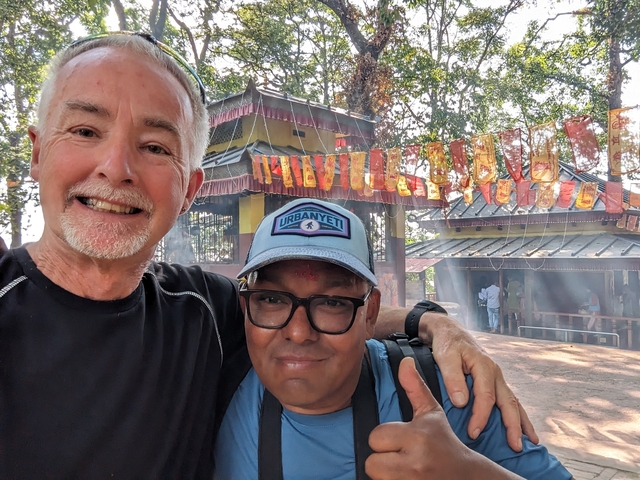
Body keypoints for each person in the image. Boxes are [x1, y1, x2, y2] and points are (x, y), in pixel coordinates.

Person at [0, 32, 534, 478]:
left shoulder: (202, 310)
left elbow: (315, 309)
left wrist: (436, 325)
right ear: (39, 153)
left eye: (156, 147)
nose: (116, 167)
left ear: (189, 190)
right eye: (86, 130)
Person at [214, 198, 572, 479]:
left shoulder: (445, 394)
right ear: (246, 308)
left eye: (333, 303)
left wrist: (472, 473)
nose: (297, 331)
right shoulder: (213, 376)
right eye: (273, 300)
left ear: (370, 314)